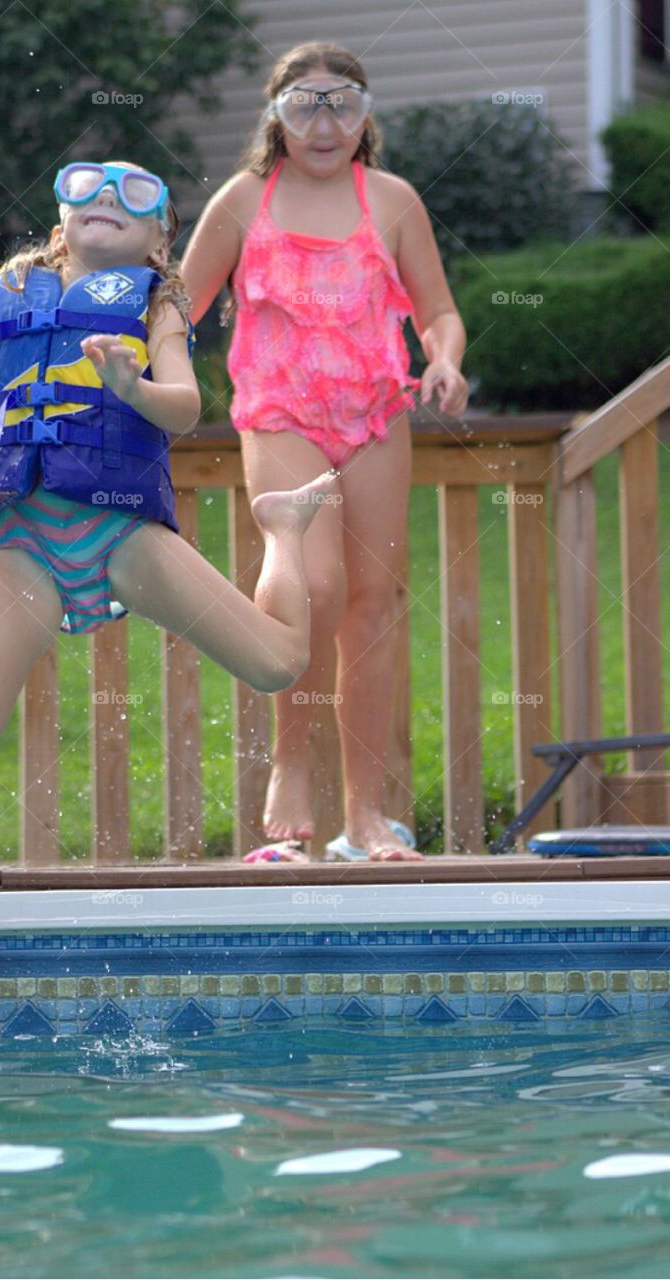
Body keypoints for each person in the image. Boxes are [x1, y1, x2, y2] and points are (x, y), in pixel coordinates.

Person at [0, 160, 338, 766]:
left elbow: (186, 408)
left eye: (135, 194)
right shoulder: (3, 299)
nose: (109, 196)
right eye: (87, 186)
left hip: (122, 533)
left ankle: (281, 527)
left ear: (159, 242)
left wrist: (132, 388)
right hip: (26, 547)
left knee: (277, 664)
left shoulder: (156, 308)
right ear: (62, 224)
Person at [182, 42, 469, 862]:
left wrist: (444, 359)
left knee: (373, 606)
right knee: (313, 584)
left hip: (376, 413)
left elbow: (437, 311)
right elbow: (180, 306)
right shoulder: (243, 202)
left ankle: (367, 815)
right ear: (276, 115)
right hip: (278, 412)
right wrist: (134, 367)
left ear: (366, 115)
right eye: (305, 104)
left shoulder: (393, 200)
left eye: (342, 103)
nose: (324, 123)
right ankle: (291, 770)